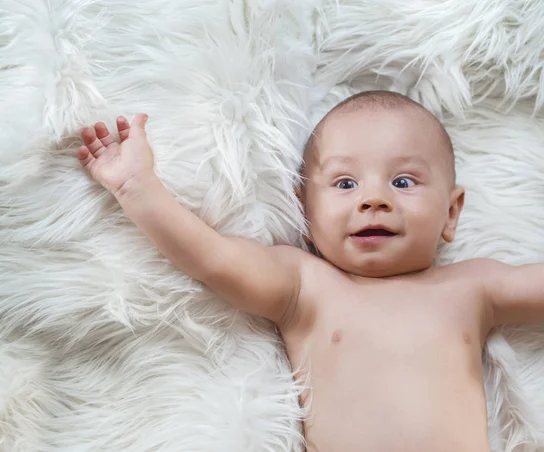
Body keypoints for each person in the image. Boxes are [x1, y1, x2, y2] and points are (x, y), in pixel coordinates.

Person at [77, 91, 543, 452]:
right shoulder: (307, 286)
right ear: (306, 211)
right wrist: (139, 188)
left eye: (403, 181)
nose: (374, 198)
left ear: (451, 213)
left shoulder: (473, 287)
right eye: (345, 183)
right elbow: (211, 257)